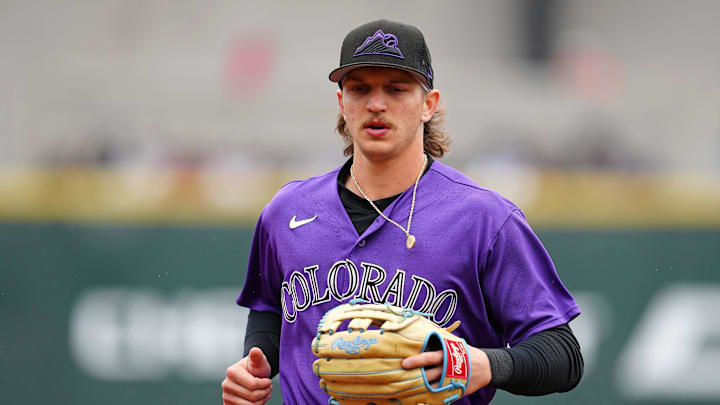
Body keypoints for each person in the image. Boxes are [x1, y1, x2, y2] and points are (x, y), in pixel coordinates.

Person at [222, 19, 583, 405]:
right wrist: (255, 365)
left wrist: (488, 364)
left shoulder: (485, 219)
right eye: (360, 89)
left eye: (396, 89)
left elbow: (563, 355)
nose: (376, 104)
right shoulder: (287, 210)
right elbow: (269, 310)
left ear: (429, 104)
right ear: (342, 103)